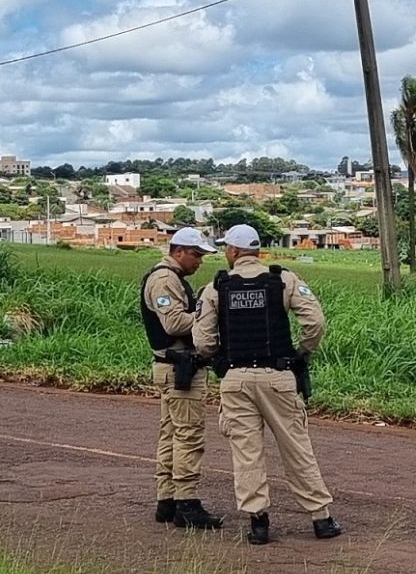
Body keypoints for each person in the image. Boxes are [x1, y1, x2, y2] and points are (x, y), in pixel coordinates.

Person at [192, 222, 337, 545]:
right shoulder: (283, 279)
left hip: (236, 379)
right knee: (296, 447)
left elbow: (202, 340)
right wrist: (302, 353)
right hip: (278, 376)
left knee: (247, 452)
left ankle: (258, 522)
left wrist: (215, 357)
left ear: (233, 251)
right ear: (256, 250)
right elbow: (315, 322)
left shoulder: (216, 287)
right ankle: (321, 518)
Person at [142, 226, 222, 529]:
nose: (199, 261)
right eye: (195, 254)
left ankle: (168, 500)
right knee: (188, 434)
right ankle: (186, 502)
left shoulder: (170, 278)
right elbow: (174, 323)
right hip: (179, 368)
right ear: (178, 251)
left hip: (173, 367)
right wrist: (207, 317)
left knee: (171, 434)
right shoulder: (165, 280)